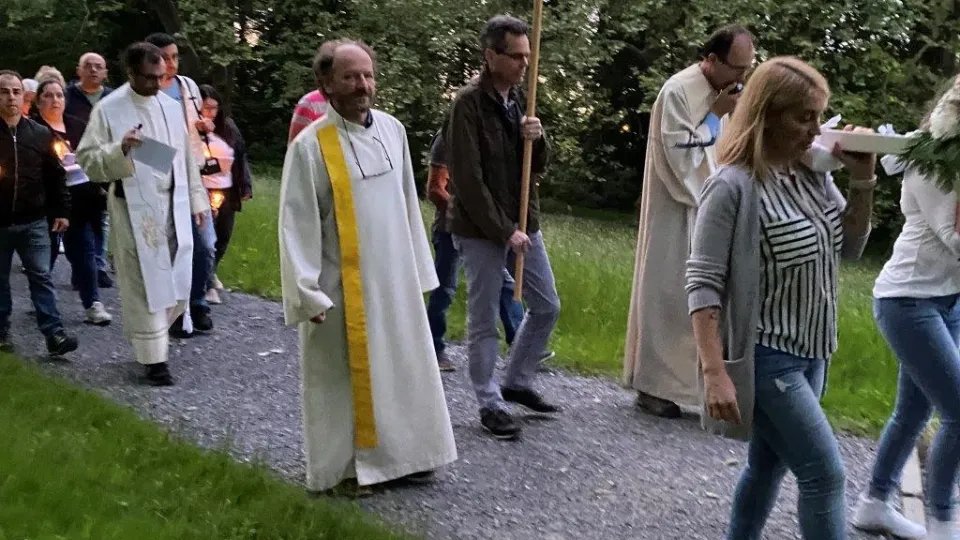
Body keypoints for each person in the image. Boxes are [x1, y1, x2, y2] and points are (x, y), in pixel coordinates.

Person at [686, 57, 877, 539]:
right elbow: (703, 282)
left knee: (768, 466)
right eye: (804, 117)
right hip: (767, 357)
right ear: (767, 116)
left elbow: (849, 248)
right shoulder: (731, 186)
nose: (816, 129)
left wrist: (863, 182)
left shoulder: (811, 175)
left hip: (814, 352)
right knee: (825, 475)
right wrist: (714, 373)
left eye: (819, 116)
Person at [278, 38, 457, 494]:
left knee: (401, 369)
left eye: (367, 75)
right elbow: (296, 221)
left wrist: (420, 272)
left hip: (394, 281)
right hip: (341, 287)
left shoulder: (393, 131)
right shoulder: (311, 147)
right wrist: (306, 291)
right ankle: (346, 471)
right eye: (349, 77)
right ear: (326, 84)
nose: (362, 85)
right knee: (343, 381)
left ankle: (407, 457)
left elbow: (407, 204)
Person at [623, 24, 754, 419]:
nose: (742, 77)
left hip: (711, 206)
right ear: (711, 60)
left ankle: (704, 389)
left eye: (747, 68)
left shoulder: (729, 93)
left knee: (708, 298)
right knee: (668, 295)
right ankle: (654, 387)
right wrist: (715, 116)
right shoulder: (678, 91)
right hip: (677, 207)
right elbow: (679, 155)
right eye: (737, 68)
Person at [848, 78, 960, 540]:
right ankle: (943, 520)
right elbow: (955, 239)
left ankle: (874, 504)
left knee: (913, 411)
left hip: (948, 299)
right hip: (908, 300)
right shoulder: (933, 162)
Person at [446, 15, 560, 441]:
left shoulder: (521, 101)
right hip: (480, 229)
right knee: (483, 318)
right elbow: (467, 179)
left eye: (527, 56)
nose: (524, 64)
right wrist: (502, 230)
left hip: (524, 221)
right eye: (516, 57)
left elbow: (537, 168)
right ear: (491, 56)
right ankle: (490, 403)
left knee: (547, 304)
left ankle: (517, 381)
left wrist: (538, 137)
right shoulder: (467, 105)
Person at [76, 42, 210, 386]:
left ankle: (155, 336)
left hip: (173, 205)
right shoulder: (109, 108)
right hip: (134, 210)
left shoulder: (169, 106)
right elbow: (88, 159)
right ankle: (155, 359)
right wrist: (120, 148)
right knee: (145, 284)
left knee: (179, 277)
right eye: (149, 77)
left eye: (161, 76)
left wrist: (197, 201)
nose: (156, 83)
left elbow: (183, 158)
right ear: (131, 73)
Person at [424, 127, 553, 372]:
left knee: (506, 285)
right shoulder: (448, 137)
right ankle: (434, 349)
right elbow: (435, 189)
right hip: (450, 227)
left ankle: (520, 346)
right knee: (445, 288)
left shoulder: (489, 135)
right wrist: (467, 213)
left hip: (485, 228)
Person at [0, 70, 78, 355]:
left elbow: (55, 176)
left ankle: (54, 333)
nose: (10, 97)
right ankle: (1, 329)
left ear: (24, 97)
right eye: (4, 92)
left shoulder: (39, 133)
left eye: (15, 91)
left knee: (41, 276)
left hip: (33, 220)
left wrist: (62, 210)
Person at [145, 32, 216, 337]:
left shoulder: (187, 87)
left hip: (193, 175)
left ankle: (197, 301)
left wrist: (203, 128)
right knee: (171, 248)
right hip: (160, 179)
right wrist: (168, 163)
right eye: (165, 57)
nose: (171, 63)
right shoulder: (142, 93)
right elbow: (138, 144)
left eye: (175, 57)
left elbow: (194, 129)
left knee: (204, 243)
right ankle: (176, 311)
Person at [31, 78, 113, 325]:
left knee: (84, 250)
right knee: (45, 254)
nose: (55, 100)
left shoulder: (77, 125)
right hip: (47, 200)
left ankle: (93, 303)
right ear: (38, 101)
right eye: (48, 95)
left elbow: (93, 155)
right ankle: (43, 302)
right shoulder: (33, 129)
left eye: (59, 95)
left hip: (79, 198)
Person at [196, 83, 253, 303]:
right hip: (201, 188)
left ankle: (211, 271)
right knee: (205, 239)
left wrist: (245, 186)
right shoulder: (190, 127)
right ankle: (206, 283)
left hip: (227, 188)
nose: (210, 113)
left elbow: (240, 156)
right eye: (206, 108)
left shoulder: (228, 128)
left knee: (223, 235)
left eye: (214, 108)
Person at [65, 52, 114, 288]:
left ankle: (98, 266)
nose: (93, 70)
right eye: (88, 66)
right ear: (79, 70)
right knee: (76, 220)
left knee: (101, 218)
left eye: (98, 66)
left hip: (104, 163)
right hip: (73, 164)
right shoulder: (67, 96)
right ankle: (81, 268)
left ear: (105, 72)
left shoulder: (112, 99)